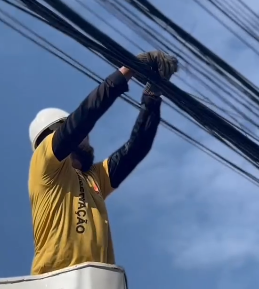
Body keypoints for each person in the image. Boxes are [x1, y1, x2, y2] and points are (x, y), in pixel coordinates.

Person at [28, 50, 178, 275]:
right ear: (54, 133)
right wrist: (128, 69)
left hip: (97, 286)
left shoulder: (94, 178)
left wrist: (152, 96)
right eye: (83, 133)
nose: (89, 136)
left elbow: (136, 148)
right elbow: (83, 118)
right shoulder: (44, 164)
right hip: (54, 283)